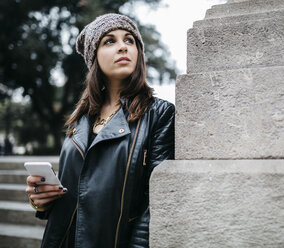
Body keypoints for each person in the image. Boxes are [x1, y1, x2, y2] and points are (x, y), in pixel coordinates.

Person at [25, 13, 175, 248]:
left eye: (129, 40)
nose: (123, 47)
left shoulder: (159, 114)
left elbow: (157, 203)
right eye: (109, 41)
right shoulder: (79, 119)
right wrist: (42, 200)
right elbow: (71, 194)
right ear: (94, 57)